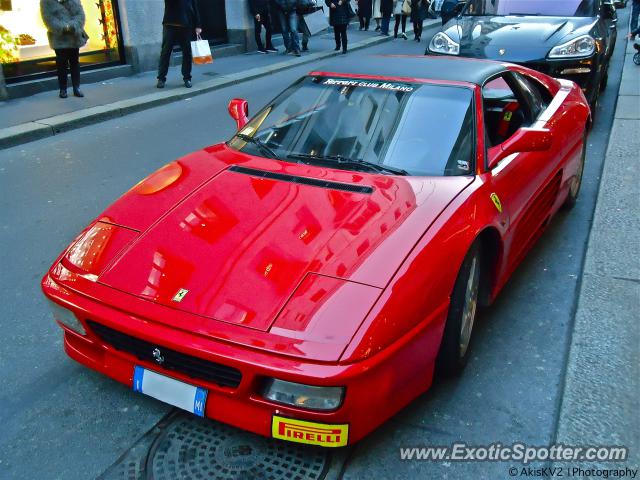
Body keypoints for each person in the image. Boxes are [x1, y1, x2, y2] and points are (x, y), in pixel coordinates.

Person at [40, 0, 88, 98]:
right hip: (59, 38)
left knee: (74, 62)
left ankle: (76, 88)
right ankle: (63, 89)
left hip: (74, 36)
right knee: (61, 64)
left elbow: (80, 14)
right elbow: (48, 18)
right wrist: (62, 27)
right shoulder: (46, 1)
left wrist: (72, 25)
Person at [156, 0, 202, 89]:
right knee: (165, 52)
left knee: (187, 53)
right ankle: (161, 79)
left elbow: (195, 7)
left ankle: (187, 78)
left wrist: (198, 25)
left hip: (186, 25)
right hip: (170, 24)